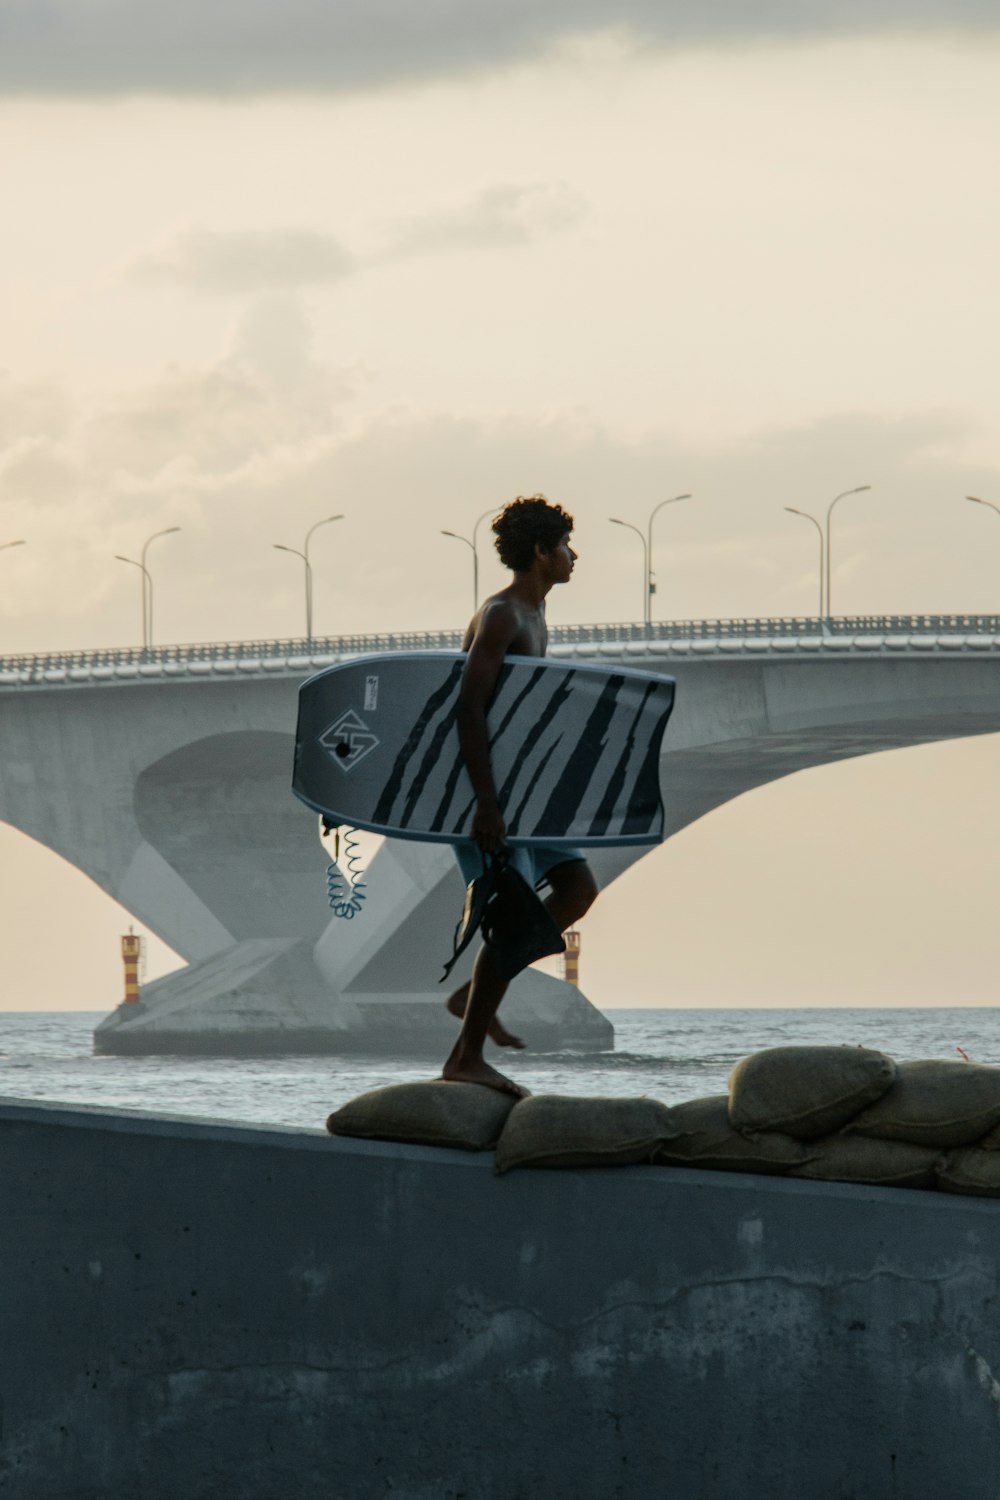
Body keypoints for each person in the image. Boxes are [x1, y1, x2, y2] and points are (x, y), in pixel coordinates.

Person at [442, 495, 598, 1096]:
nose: (572, 556)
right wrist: (485, 804)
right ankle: (465, 1057)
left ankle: (470, 995)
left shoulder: (536, 614)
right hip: (488, 799)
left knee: (578, 890)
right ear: (541, 551)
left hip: (526, 797)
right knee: (510, 920)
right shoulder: (503, 614)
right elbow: (468, 709)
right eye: (564, 546)